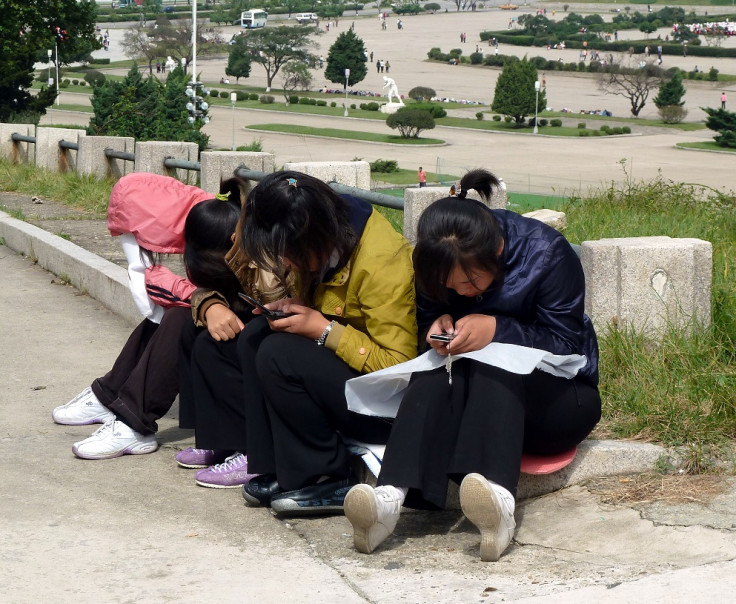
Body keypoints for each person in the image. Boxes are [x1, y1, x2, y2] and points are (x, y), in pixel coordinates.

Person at [343, 169, 601, 561]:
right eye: (451, 286)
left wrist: (498, 328)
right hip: (472, 407)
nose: (461, 292)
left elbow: (567, 344)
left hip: (560, 400)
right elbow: (429, 316)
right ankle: (387, 500)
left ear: (496, 251)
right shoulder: (433, 261)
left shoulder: (547, 252)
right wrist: (436, 328)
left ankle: (498, 504)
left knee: (493, 364)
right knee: (436, 368)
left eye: (472, 281)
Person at [188, 170, 418, 510]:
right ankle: (277, 465)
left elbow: (400, 367)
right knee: (255, 334)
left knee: (280, 353)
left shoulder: (382, 261)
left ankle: (328, 477)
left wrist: (324, 329)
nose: (284, 264)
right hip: (348, 377)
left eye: (287, 256)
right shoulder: (312, 235)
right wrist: (298, 308)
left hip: (384, 404)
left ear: (310, 238)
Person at [51, 173, 240, 459]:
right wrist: (206, 302)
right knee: (172, 311)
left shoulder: (260, 265)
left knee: (179, 319)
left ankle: (133, 423)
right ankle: (111, 396)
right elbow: (160, 286)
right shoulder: (230, 250)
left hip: (257, 364)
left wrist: (203, 303)